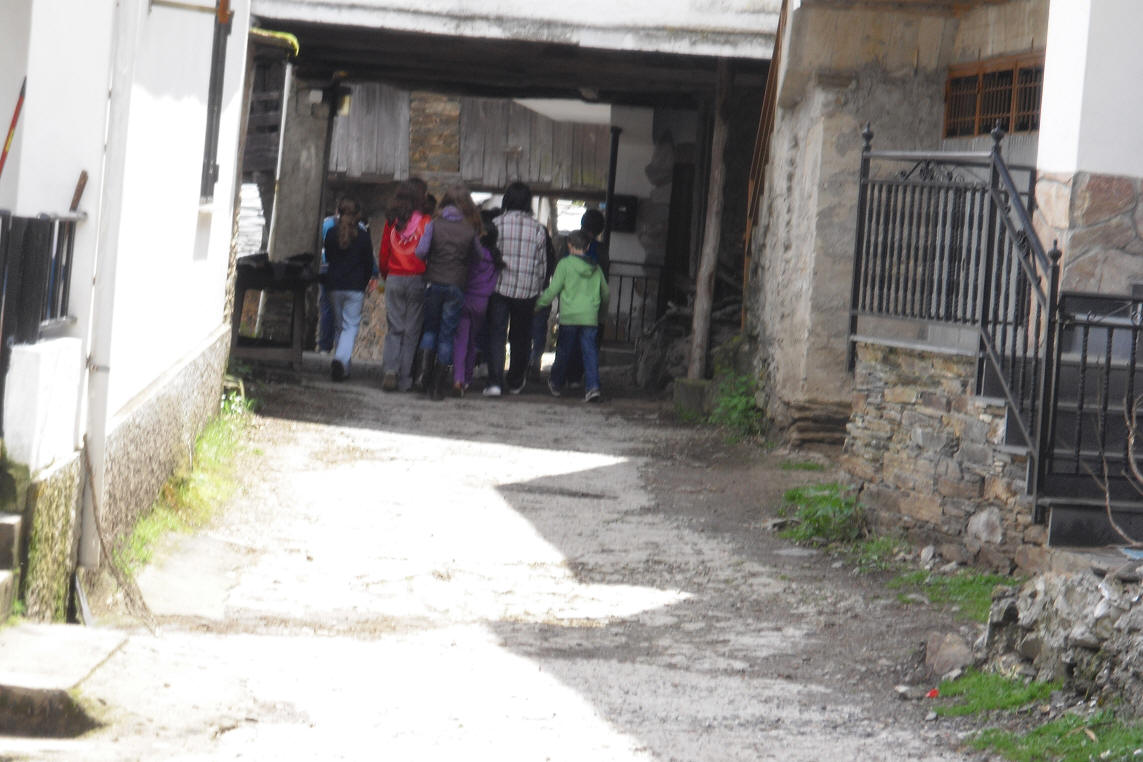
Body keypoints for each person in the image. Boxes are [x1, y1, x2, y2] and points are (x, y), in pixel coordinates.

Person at [415, 183, 482, 401]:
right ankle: (437, 387)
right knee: (446, 335)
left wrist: (434, 258)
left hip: (433, 282)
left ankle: (422, 377)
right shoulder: (469, 230)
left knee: (430, 330)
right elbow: (479, 257)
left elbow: (420, 251)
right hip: (456, 285)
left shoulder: (434, 224)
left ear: (444, 203)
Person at [485, 181, 548, 397]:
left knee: (497, 334)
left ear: (507, 200)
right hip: (526, 291)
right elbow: (542, 265)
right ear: (528, 202)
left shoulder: (496, 224)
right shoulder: (538, 229)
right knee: (521, 337)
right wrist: (539, 289)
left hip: (499, 287)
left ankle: (495, 382)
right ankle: (514, 381)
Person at [537, 229, 609, 402]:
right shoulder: (596, 268)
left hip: (569, 316)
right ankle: (593, 387)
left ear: (569, 245)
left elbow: (553, 290)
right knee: (590, 352)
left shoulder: (565, 265)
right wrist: (601, 314)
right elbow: (606, 293)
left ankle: (556, 382)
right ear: (588, 246)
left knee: (564, 350)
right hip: (590, 317)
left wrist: (538, 304)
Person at [378, 179, 430, 392]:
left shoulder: (391, 222)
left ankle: (390, 370)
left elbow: (384, 253)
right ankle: (405, 379)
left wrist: (385, 274)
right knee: (411, 332)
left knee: (395, 328)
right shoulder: (426, 222)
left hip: (394, 278)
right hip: (417, 279)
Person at [323, 197, 375, 381]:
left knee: (340, 327)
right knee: (350, 326)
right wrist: (364, 282)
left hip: (334, 286)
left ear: (338, 212)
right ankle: (340, 359)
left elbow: (329, 258)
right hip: (355, 287)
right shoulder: (363, 237)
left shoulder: (331, 234)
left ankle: (343, 369)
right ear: (358, 215)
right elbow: (369, 264)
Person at [453, 210, 504, 395]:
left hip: (465, 299)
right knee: (472, 342)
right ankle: (467, 378)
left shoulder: (473, 256)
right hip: (482, 304)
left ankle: (458, 379)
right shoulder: (496, 260)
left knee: (461, 340)